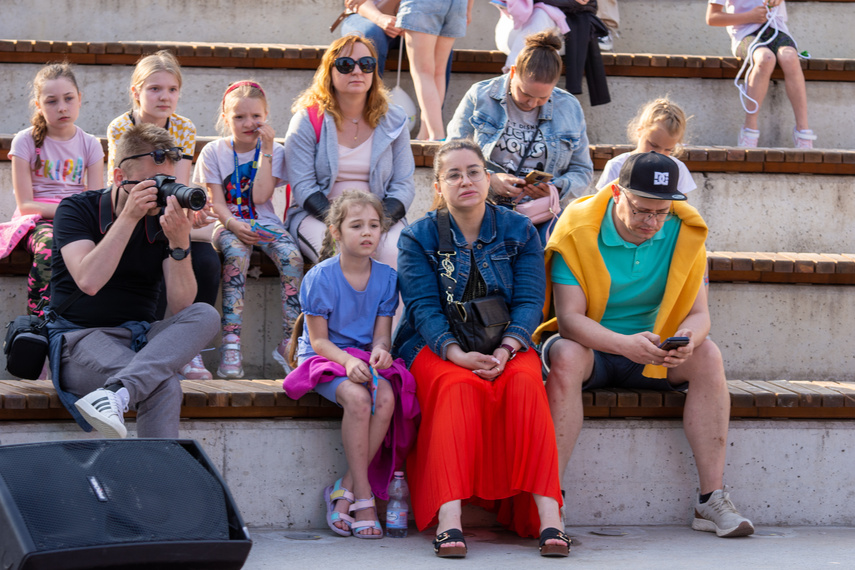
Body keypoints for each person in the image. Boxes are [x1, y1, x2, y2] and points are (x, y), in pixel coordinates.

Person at [538, 151, 755, 538]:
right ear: (617, 193)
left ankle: (711, 500)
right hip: (595, 346)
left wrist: (687, 340)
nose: (651, 223)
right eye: (641, 211)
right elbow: (570, 320)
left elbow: (700, 314)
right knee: (566, 356)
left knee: (707, 354)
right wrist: (624, 345)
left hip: (654, 349)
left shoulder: (687, 231)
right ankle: (552, 498)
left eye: (661, 213)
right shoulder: (576, 227)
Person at [394, 140, 569, 558]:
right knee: (458, 387)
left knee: (526, 384)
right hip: (436, 346)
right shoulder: (416, 238)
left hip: (507, 341)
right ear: (439, 187)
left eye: (473, 171)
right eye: (453, 174)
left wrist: (508, 350)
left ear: (488, 178)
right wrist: (456, 354)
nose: (465, 180)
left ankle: (550, 519)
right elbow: (422, 308)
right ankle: (449, 520)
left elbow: (530, 301)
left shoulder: (519, 230)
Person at [45, 123, 220, 439]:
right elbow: (89, 280)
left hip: (140, 338)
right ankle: (154, 486)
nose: (160, 193)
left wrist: (180, 241)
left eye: (167, 183)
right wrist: (128, 218)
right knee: (163, 386)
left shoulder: (163, 222)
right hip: (80, 339)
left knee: (206, 314)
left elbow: (180, 307)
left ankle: (116, 394)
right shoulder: (76, 209)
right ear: (119, 179)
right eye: (151, 185)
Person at [282, 191, 418, 539]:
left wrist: (381, 353)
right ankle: (364, 497)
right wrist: (346, 361)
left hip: (361, 359)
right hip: (325, 359)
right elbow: (319, 342)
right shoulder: (321, 278)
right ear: (336, 232)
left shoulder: (388, 278)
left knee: (385, 397)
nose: (367, 232)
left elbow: (381, 337)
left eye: (374, 225)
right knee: (359, 400)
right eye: (356, 225)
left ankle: (343, 488)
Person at [107, 50, 220, 380]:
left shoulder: (183, 127)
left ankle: (190, 349)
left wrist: (190, 213)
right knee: (153, 254)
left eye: (172, 90)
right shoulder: (122, 127)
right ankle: (147, 346)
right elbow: (125, 186)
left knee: (208, 260)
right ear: (136, 92)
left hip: (165, 210)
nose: (164, 97)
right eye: (155, 89)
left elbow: (179, 184)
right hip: (132, 210)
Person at [194, 80, 303, 378]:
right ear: (225, 118)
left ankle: (288, 342)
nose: (248, 123)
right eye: (239, 117)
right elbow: (217, 202)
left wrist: (266, 150)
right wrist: (233, 224)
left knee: (292, 257)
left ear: (266, 115)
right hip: (226, 222)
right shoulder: (214, 152)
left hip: (265, 222)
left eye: (256, 116)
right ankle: (231, 343)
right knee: (236, 254)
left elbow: (259, 197)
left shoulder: (275, 152)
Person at [447, 30, 593, 243]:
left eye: (543, 97)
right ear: (513, 72)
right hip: (485, 205)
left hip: (540, 214)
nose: (532, 103)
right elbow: (451, 153)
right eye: (525, 93)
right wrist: (488, 179)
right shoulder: (480, 95)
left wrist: (554, 188)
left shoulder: (568, 106)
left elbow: (582, 170)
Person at [284, 34, 414, 269]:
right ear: (329, 72)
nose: (357, 71)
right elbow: (303, 187)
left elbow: (403, 185)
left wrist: (374, 224)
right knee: (342, 254)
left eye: (366, 64)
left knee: (394, 255)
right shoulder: (307, 119)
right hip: (321, 215)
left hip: (381, 216)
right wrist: (344, 223)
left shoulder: (394, 119)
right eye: (346, 65)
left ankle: (388, 309)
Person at [2, 62, 103, 319]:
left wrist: (75, 214)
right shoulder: (25, 141)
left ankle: (85, 322)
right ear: (38, 104)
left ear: (79, 99)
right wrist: (70, 210)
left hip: (78, 219)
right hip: (38, 221)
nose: (62, 107)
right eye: (51, 101)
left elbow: (96, 202)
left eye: (69, 98)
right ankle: (38, 323)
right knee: (50, 245)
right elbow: (25, 204)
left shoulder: (90, 144)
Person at [706, 0, 815, 148]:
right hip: (745, 33)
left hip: (777, 29)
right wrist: (749, 16)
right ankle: (749, 129)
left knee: (789, 57)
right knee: (765, 58)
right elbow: (712, 17)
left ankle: (803, 130)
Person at [396, 0, 474, 140]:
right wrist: (468, 8)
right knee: (438, 73)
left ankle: (437, 135)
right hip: (458, 5)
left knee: (422, 72)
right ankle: (425, 134)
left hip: (424, 5)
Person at [596, 97, 696, 195]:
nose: (659, 153)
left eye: (668, 149)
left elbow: (682, 207)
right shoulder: (617, 165)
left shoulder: (677, 168)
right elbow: (602, 203)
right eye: (653, 145)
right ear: (639, 131)